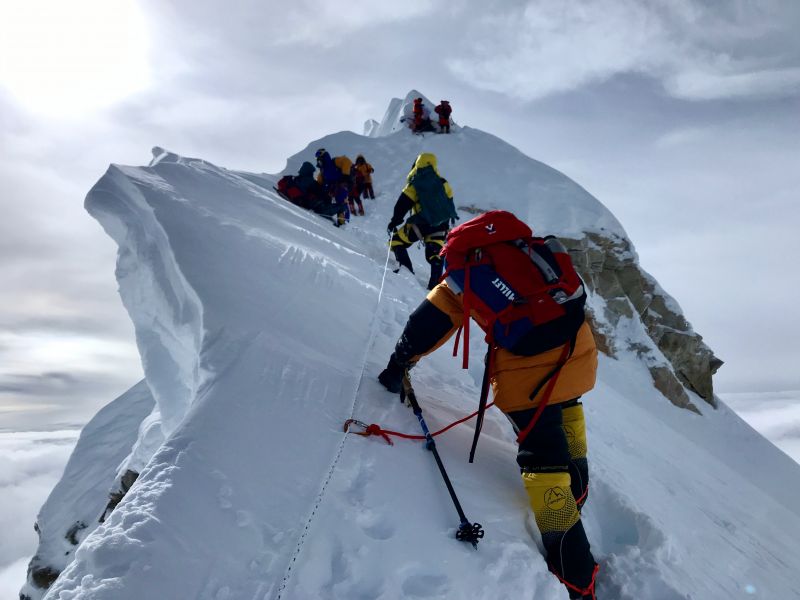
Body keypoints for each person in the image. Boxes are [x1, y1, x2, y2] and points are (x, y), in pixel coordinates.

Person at [377, 210, 599, 600]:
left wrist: (397, 367)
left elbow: (425, 326)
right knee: (567, 408)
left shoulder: (461, 273)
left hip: (527, 376)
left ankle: (577, 579)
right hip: (577, 348)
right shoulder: (521, 248)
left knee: (543, 465)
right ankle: (578, 496)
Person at [387, 152, 458, 290]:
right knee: (435, 254)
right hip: (441, 226)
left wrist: (394, 222)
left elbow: (402, 205)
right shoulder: (444, 183)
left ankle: (406, 271)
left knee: (396, 241)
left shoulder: (415, 183)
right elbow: (449, 206)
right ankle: (434, 285)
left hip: (420, 224)